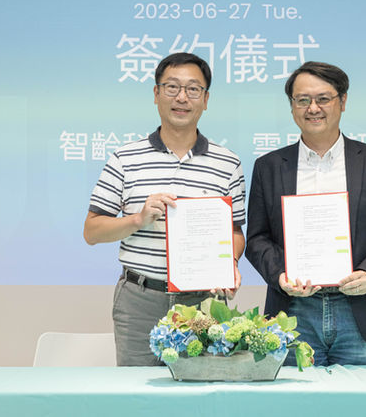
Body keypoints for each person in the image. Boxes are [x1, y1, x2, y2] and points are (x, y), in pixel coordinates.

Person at [245, 61, 366, 367]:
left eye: (323, 98)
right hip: (293, 315)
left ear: (343, 101)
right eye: (303, 100)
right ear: (292, 106)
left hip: (361, 313)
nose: (313, 108)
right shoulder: (269, 166)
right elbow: (257, 239)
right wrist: (281, 276)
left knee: (362, 397)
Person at [84, 52, 246, 366]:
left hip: (202, 303)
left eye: (193, 89)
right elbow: (91, 232)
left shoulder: (227, 163)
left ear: (206, 99)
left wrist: (231, 263)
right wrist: (137, 219)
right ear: (156, 94)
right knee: (137, 389)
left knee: (200, 388)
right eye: (172, 87)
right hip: (140, 299)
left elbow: (235, 232)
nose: (182, 97)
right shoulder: (125, 158)